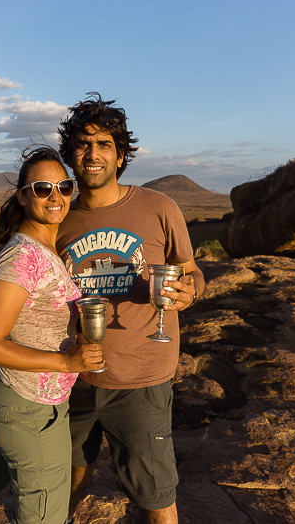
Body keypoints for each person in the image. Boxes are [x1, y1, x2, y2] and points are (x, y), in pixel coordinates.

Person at [56, 93, 205, 524]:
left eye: (104, 144)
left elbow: (191, 271)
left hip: (141, 377)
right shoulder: (58, 216)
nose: (93, 154)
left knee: (154, 495)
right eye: (83, 144)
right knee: (64, 480)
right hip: (73, 375)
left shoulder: (159, 207)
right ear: (71, 156)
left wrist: (190, 292)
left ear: (121, 156)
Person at [0, 146, 105, 524]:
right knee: (43, 513)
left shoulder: (47, 246)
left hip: (17, 397)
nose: (56, 196)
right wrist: (66, 361)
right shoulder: (22, 257)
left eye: (64, 186)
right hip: (31, 404)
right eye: (42, 188)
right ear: (22, 196)